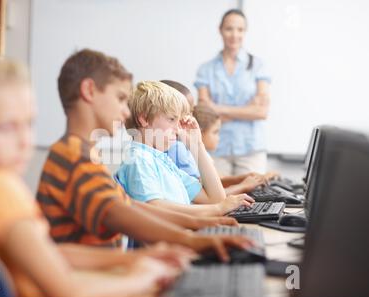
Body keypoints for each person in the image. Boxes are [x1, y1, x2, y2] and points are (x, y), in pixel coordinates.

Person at [0, 53, 189, 297]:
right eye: (6, 127)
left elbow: (48, 254)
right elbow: (70, 293)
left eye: (29, 124)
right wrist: (145, 278)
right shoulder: (0, 191)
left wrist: (132, 261)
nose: (25, 141)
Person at [37, 49, 254, 262]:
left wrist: (204, 220)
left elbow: (130, 207)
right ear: (89, 90)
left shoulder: (86, 156)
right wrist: (202, 224)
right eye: (121, 98)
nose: (125, 111)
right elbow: (138, 211)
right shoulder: (75, 159)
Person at [116, 80, 255, 216]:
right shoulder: (139, 159)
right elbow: (154, 207)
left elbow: (216, 198)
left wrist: (197, 145)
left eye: (179, 121)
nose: (177, 129)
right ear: (144, 119)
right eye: (171, 119)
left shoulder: (163, 161)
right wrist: (218, 209)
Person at [195, 9, 271, 176]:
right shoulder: (205, 70)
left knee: (255, 199)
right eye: (229, 28)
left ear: (245, 32)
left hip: (251, 149)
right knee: (220, 197)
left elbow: (261, 112)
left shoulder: (258, 66)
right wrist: (246, 110)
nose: (234, 34)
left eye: (240, 29)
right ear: (220, 30)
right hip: (217, 149)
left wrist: (217, 108)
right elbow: (204, 114)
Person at [193, 104, 268, 195]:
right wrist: (243, 186)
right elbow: (215, 196)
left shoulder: (204, 155)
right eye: (215, 132)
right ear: (199, 132)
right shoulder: (192, 160)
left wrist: (241, 179)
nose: (218, 138)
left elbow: (216, 182)